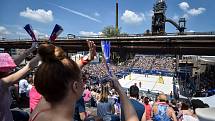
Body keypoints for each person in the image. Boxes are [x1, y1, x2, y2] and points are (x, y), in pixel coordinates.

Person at [29, 41, 139, 121]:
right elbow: (133, 119)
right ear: (75, 86)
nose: (84, 81)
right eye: (82, 78)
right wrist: (120, 89)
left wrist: (87, 58)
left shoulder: (41, 108)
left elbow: (61, 72)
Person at [0, 43, 40, 121]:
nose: (11, 68)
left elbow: (14, 63)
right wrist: (42, 54)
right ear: (3, 70)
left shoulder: (3, 81)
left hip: (6, 114)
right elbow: (29, 67)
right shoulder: (2, 83)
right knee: (24, 115)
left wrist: (32, 48)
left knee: (24, 115)